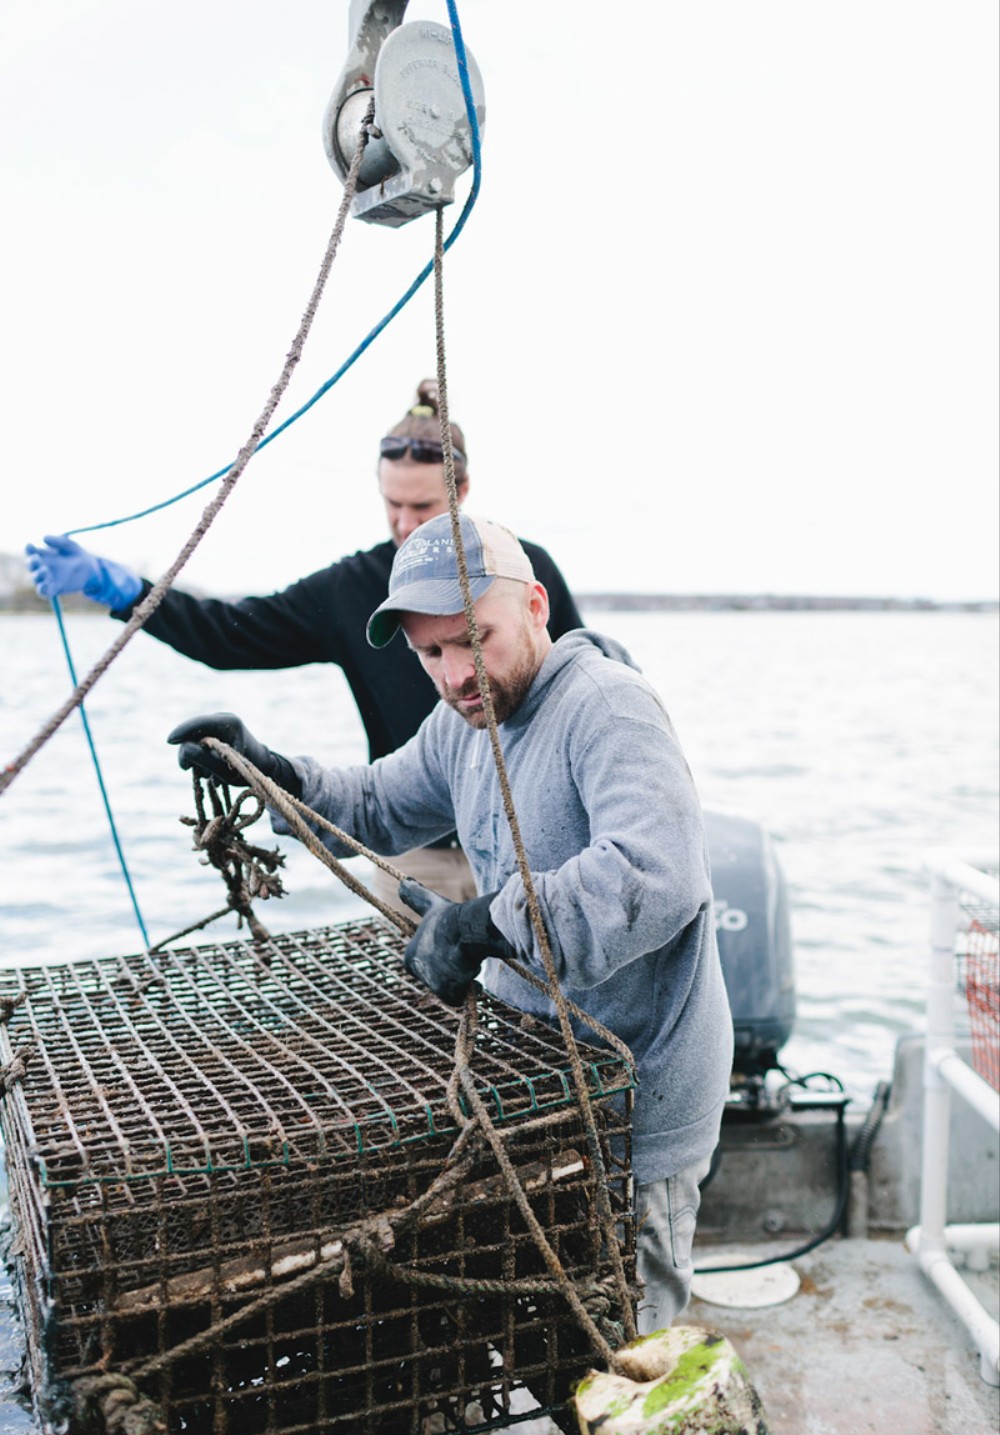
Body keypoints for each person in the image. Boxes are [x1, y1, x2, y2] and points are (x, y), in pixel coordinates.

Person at [168, 511, 734, 1334]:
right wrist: (270, 771)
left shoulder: (607, 708)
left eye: (475, 639)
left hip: (638, 1098)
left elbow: (655, 876)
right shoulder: (464, 725)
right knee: (550, 1322)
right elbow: (375, 805)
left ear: (537, 605)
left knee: (630, 1340)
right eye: (432, 652)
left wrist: (482, 926)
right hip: (540, 1080)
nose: (455, 672)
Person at [24, 382, 583, 910]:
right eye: (394, 505)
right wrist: (128, 592)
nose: (406, 525)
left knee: (536, 1007)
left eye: (423, 508)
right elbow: (231, 635)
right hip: (417, 851)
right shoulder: (351, 589)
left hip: (532, 848)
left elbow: (581, 680)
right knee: (423, 1006)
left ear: (461, 491)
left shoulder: (519, 572)